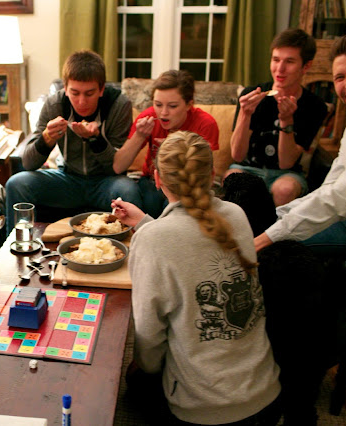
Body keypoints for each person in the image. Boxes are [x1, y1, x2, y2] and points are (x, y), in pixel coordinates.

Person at [115, 131, 281, 425]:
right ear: (212, 175)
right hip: (265, 394)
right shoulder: (237, 214)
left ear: (157, 179)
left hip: (202, 410)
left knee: (135, 378)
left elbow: (149, 339)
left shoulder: (153, 240)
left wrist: (144, 368)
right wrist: (145, 223)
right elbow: (193, 247)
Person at [255, 31, 346, 317]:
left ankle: (334, 342)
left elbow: (336, 198)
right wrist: (272, 223)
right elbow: (327, 188)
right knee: (272, 255)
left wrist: (265, 238)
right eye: (340, 77)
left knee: (336, 299)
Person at [4, 49, 141, 232]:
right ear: (65, 88)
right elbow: (28, 163)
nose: (81, 102)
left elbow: (116, 167)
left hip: (106, 182)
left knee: (129, 189)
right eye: (74, 93)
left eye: (89, 94)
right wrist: (46, 138)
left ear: (101, 89)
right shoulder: (55, 104)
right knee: (17, 183)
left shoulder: (119, 105)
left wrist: (96, 140)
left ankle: (132, 248)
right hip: (68, 179)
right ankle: (17, 245)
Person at [227, 28, 328, 206]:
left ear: (306, 66)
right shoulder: (252, 94)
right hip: (247, 168)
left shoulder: (315, 106)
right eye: (276, 60)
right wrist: (245, 114)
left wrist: (286, 120)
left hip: (287, 174)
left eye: (289, 61)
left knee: (285, 189)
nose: (280, 69)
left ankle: (277, 227)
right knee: (237, 182)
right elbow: (237, 155)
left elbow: (286, 163)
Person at [113, 69, 219, 217]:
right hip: (152, 182)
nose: (163, 113)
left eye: (172, 106)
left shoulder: (205, 124)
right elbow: (118, 166)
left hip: (187, 185)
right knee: (144, 200)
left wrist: (175, 147)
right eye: (158, 104)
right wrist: (139, 135)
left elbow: (204, 173)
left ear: (189, 104)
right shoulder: (148, 117)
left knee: (174, 208)